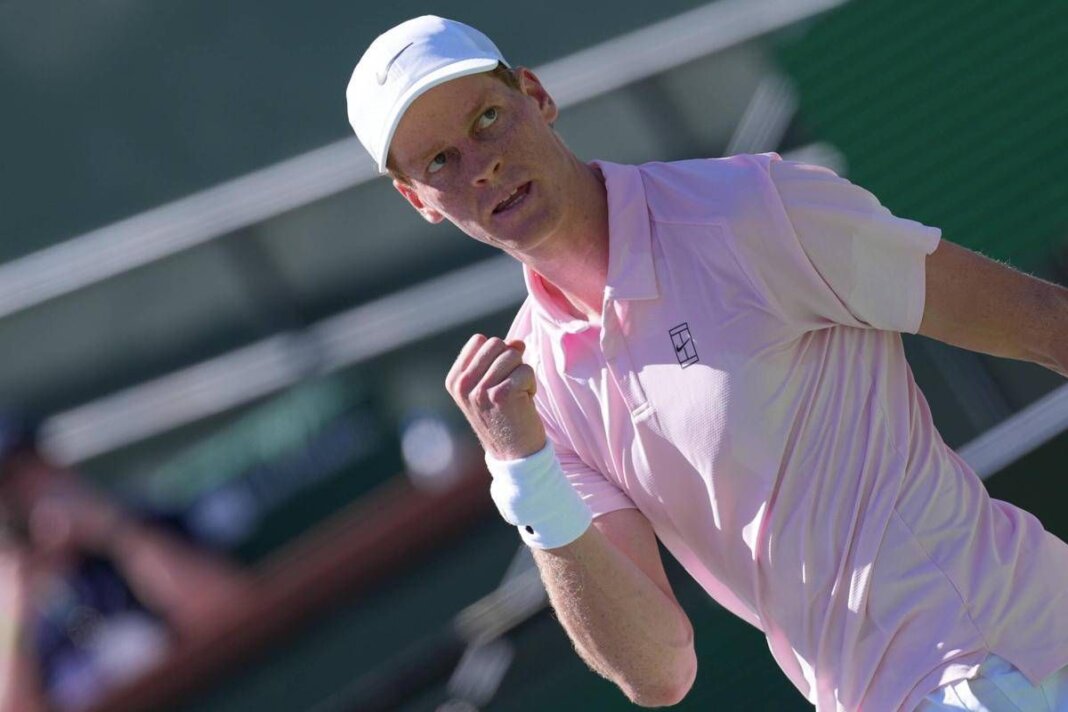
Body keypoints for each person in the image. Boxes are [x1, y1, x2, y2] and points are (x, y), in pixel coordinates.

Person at [345, 16, 1068, 711]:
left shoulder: (750, 210)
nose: (483, 166)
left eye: (487, 120)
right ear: (417, 200)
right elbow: (659, 671)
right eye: (440, 162)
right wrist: (523, 474)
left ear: (535, 96)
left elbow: (1044, 323)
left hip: (1005, 658)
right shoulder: (537, 399)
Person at [0, 413, 254, 711]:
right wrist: (15, 605)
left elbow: (234, 614)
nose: (28, 490)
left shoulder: (140, 528)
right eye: (8, 483)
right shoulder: (9, 613)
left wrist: (113, 532)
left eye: (31, 467)